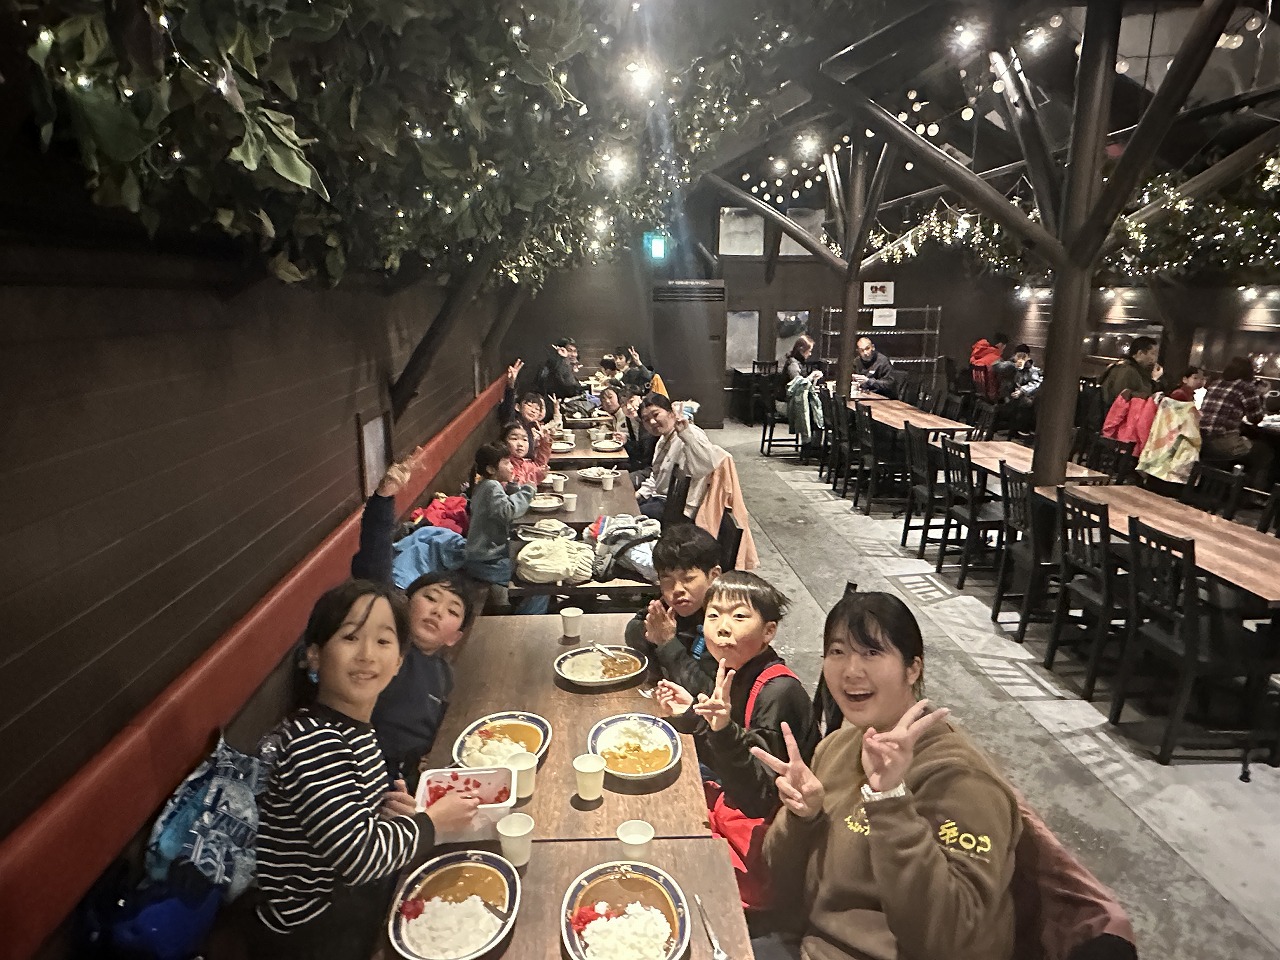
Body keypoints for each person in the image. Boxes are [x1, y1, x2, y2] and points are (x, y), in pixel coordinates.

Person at [752, 591, 1021, 960]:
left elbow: (952, 937)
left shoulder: (962, 779)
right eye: (837, 652)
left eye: (872, 652)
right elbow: (780, 882)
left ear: (913, 668)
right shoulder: (839, 745)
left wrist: (890, 800)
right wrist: (801, 818)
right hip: (807, 943)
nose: (851, 670)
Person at [252, 580, 479, 960]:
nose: (367, 655)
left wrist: (389, 812)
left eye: (383, 641)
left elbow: (351, 822)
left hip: (350, 903)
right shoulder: (315, 741)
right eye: (350, 637)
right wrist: (432, 823)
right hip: (312, 929)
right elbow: (359, 858)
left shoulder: (356, 729)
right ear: (314, 655)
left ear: (399, 662)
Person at [655, 572, 817, 913]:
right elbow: (728, 746)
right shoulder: (736, 670)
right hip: (737, 798)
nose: (723, 627)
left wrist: (718, 727)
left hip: (776, 845)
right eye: (713, 615)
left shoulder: (778, 692)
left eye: (739, 616)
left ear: (768, 631)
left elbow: (756, 796)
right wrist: (691, 713)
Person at [349, 464, 477, 787]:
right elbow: (374, 575)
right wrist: (383, 500)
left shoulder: (443, 674)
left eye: (451, 611)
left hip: (414, 777)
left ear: (455, 637)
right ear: (405, 602)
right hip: (371, 777)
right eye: (430, 598)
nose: (437, 611)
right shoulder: (389, 646)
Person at [624, 524, 723, 697]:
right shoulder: (669, 609)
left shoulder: (726, 623)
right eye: (667, 580)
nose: (677, 589)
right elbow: (635, 629)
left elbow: (708, 694)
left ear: (714, 576)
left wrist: (667, 643)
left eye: (688, 579)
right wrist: (648, 631)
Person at [635, 393, 726, 521]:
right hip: (660, 499)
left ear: (671, 413)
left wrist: (686, 434)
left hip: (681, 509)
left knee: (630, 515)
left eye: (656, 414)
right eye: (646, 419)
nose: (652, 422)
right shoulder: (663, 439)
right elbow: (656, 477)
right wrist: (639, 494)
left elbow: (706, 466)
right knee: (627, 505)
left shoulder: (690, 433)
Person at [463, 443, 535, 587]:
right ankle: (529, 603)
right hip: (487, 562)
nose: (511, 467)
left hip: (480, 558)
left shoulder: (484, 485)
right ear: (491, 469)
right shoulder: (491, 486)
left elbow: (499, 506)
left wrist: (512, 488)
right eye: (506, 463)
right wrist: (528, 491)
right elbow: (508, 511)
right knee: (533, 574)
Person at [1200, 356, 1271, 484]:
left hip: (1200, 440)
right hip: (1221, 442)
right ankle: (1248, 491)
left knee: (1247, 442)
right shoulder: (1246, 388)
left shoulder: (1216, 383)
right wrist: (1261, 395)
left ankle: (1225, 484)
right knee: (1264, 452)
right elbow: (1255, 418)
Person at [1099, 336, 1164, 411]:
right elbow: (1121, 398)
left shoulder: (1138, 371)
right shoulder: (1126, 370)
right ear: (1140, 353)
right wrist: (1149, 397)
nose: (1154, 359)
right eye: (1153, 353)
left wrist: (1154, 380)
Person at [497, 360, 550, 450]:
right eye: (529, 406)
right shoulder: (513, 423)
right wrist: (510, 386)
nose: (533, 411)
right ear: (517, 407)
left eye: (536, 409)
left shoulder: (530, 425)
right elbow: (508, 409)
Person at [1005, 344, 1043, 435]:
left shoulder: (1031, 368)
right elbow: (998, 368)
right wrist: (1012, 365)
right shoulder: (1010, 364)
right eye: (1018, 355)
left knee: (1027, 402)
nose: (1020, 358)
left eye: (1023, 356)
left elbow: (1036, 383)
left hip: (1022, 394)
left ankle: (1021, 429)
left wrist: (1022, 390)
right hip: (1008, 392)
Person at [501, 420, 552, 486]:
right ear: (504, 442)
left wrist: (545, 443)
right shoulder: (505, 465)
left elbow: (539, 465)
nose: (520, 444)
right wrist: (536, 475)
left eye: (524, 439)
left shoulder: (524, 463)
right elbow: (515, 487)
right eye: (514, 439)